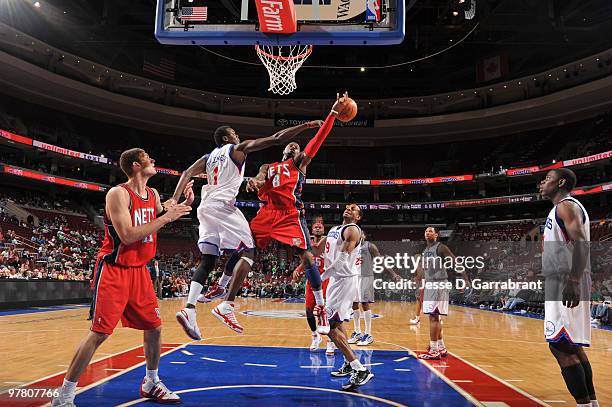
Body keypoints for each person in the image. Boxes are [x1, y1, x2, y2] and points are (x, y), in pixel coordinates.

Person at [52, 148, 193, 406]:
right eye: (149, 157)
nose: (153, 160)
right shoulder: (118, 194)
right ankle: (64, 394)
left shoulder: (152, 194)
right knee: (100, 333)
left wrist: (183, 204)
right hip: (114, 269)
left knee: (154, 327)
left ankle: (151, 382)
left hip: (140, 270)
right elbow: (127, 236)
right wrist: (167, 217)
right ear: (137, 165)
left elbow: (163, 212)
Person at [170, 120, 323, 339]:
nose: (238, 136)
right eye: (234, 133)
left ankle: (189, 309)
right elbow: (277, 138)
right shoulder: (236, 149)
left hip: (204, 207)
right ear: (226, 138)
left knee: (208, 259)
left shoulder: (207, 158)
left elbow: (186, 173)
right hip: (223, 206)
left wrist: (175, 201)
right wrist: (305, 126)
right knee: (248, 250)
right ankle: (226, 305)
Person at [243, 93, 348, 331]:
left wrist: (332, 113)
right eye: (292, 145)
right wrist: (255, 183)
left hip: (290, 213)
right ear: (283, 149)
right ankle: (224, 292)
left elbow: (317, 140)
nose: (295, 146)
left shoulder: (298, 163)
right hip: (267, 212)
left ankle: (320, 305)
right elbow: (259, 178)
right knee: (243, 245)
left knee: (307, 256)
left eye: (297, 146)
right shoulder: (268, 166)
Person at [540, 168, 599, 407]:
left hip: (567, 280)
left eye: (547, 179)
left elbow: (581, 244)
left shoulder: (566, 206)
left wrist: (573, 282)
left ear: (561, 182)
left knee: (560, 346)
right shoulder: (562, 208)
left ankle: (584, 405)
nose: (541, 183)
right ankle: (591, 404)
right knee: (571, 345)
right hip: (565, 278)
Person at [317, 204, 374, 390]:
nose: (349, 209)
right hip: (334, 279)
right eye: (348, 207)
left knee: (330, 328)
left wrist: (319, 277)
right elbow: (321, 252)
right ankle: (350, 364)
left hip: (344, 280)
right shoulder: (335, 229)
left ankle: (360, 369)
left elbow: (341, 261)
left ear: (358, 217)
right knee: (338, 323)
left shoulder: (353, 230)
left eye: (353, 209)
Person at [348, 232, 399, 346]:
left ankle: (368, 334)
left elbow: (381, 260)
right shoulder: (350, 246)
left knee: (364, 303)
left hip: (365, 277)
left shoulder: (369, 246)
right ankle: (357, 332)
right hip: (353, 277)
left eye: (360, 233)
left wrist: (393, 274)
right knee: (354, 304)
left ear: (363, 236)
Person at [292, 221, 335, 355]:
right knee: (309, 311)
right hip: (311, 280)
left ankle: (331, 341)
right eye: (315, 226)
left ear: (323, 229)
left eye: (320, 226)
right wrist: (298, 269)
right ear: (311, 229)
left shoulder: (329, 240)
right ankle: (315, 335)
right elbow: (306, 260)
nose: (317, 228)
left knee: (327, 311)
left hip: (326, 279)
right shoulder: (307, 242)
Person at [417, 227, 456, 360]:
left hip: (438, 284)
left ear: (436, 235)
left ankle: (434, 350)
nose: (427, 232)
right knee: (435, 317)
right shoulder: (425, 251)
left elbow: (454, 261)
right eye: (426, 231)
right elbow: (423, 270)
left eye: (430, 231)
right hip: (430, 284)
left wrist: (463, 278)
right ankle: (441, 347)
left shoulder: (441, 247)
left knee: (434, 316)